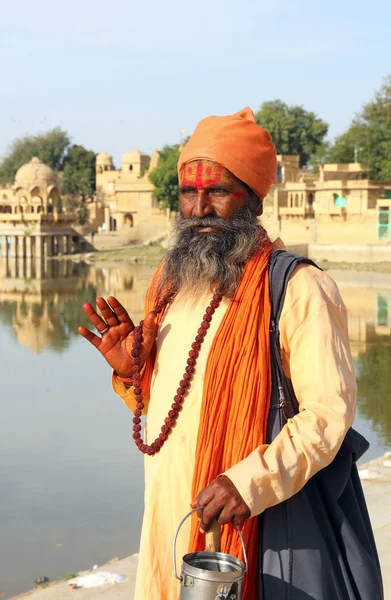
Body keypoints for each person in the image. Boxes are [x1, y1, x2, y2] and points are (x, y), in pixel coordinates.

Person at [78, 108, 374, 599]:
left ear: (253, 201)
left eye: (217, 191)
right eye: (189, 193)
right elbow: (168, 412)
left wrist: (247, 483)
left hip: (249, 523)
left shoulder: (299, 288)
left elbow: (328, 415)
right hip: (169, 518)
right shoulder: (170, 285)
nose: (200, 209)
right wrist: (135, 374)